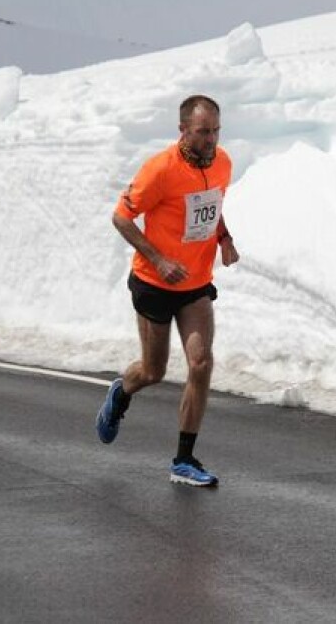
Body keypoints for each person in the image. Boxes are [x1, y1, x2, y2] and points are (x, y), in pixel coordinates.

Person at [96, 95, 239, 487]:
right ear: (183, 131)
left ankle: (184, 459)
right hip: (154, 284)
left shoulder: (223, 163)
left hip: (194, 285)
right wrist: (158, 260)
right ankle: (122, 391)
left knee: (201, 363)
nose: (211, 140)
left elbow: (212, 203)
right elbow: (122, 218)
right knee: (153, 370)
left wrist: (224, 237)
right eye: (202, 132)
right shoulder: (160, 170)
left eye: (215, 131)